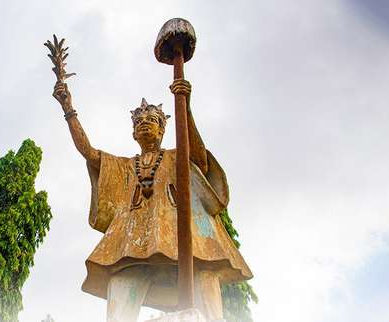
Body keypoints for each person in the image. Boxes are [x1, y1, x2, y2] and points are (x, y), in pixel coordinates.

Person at [52, 78, 252, 322]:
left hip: (181, 239)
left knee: (205, 276)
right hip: (132, 245)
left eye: (152, 120)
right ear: (133, 132)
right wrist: (68, 110)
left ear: (162, 129)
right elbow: (90, 153)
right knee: (121, 284)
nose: (145, 124)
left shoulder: (177, 156)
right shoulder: (125, 166)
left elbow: (199, 159)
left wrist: (185, 106)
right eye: (139, 122)